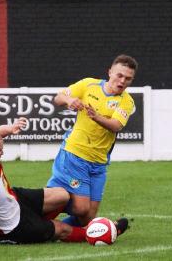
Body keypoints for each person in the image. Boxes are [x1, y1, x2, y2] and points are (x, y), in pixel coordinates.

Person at [46, 54, 137, 232]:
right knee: (81, 208)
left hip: (99, 162)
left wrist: (96, 117)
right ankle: (43, 206)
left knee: (87, 217)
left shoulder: (126, 101)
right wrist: (69, 100)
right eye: (119, 75)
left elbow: (116, 125)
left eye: (128, 79)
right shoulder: (89, 85)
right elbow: (58, 98)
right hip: (76, 153)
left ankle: (51, 229)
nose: (122, 81)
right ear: (110, 72)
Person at [0, 118, 87, 249]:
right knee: (63, 229)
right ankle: (95, 233)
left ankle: (42, 223)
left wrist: (11, 129)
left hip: (15, 199)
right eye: (0, 150)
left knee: (63, 195)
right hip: (14, 227)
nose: (2, 152)